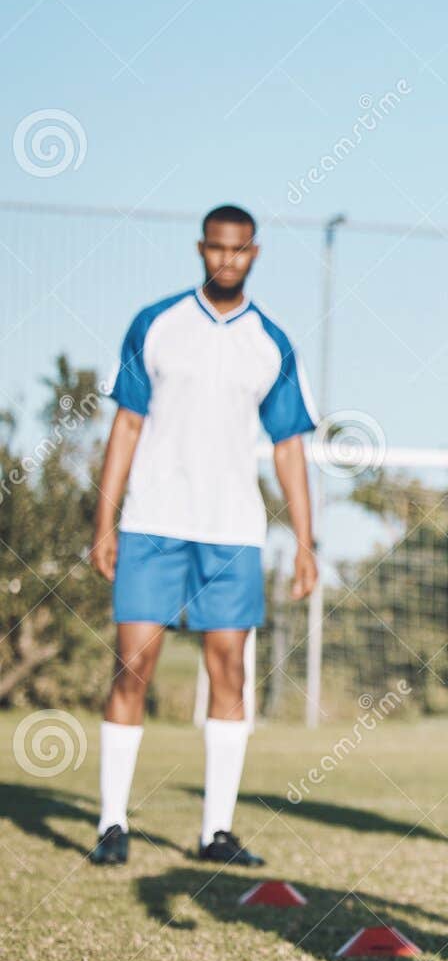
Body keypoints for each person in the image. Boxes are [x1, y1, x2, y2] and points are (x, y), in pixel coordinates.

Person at [88, 204, 318, 868]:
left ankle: (216, 831)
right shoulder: (156, 324)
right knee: (134, 666)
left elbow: (287, 447)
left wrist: (305, 540)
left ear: (255, 252)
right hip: (152, 522)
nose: (226, 259)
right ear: (201, 249)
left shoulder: (270, 341)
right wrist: (104, 522)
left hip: (232, 531)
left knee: (229, 672)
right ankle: (111, 824)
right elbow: (126, 426)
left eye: (238, 249)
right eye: (216, 248)